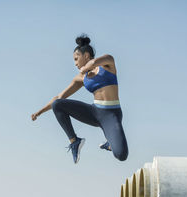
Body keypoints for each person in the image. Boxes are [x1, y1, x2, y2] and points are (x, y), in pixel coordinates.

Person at [31, 34, 129, 164]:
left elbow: (94, 62)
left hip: (111, 115)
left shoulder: (107, 63)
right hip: (94, 112)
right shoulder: (81, 77)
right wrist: (40, 112)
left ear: (86, 56)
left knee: (121, 155)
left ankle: (109, 144)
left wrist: (85, 67)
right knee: (58, 104)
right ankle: (74, 141)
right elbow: (59, 97)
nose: (76, 64)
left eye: (76, 59)